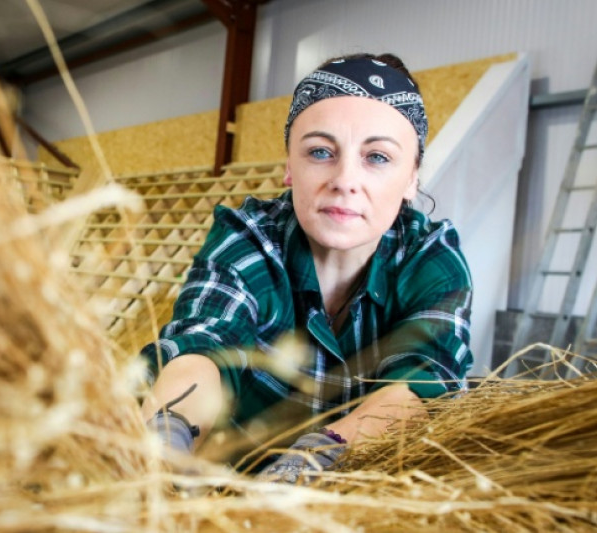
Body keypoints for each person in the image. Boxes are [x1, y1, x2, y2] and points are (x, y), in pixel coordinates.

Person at [140, 53, 473, 483]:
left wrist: (312, 461)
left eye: (377, 157)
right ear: (289, 167)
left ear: (411, 178)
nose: (345, 181)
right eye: (320, 152)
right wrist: (168, 434)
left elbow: (419, 383)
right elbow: (203, 348)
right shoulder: (248, 239)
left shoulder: (429, 258)